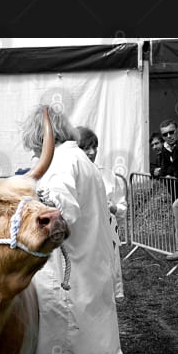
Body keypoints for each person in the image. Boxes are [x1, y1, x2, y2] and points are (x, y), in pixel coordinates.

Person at [21, 105, 126, 354]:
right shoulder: (78, 157)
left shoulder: (63, 159)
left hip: (63, 287)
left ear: (39, 136)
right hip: (80, 279)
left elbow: (58, 212)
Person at [75, 125, 124, 302]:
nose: (92, 152)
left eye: (94, 147)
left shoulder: (108, 175)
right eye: (86, 147)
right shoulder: (70, 175)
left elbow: (122, 207)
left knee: (108, 269)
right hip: (84, 234)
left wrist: (113, 208)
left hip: (107, 230)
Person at [157, 120, 178, 261]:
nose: (169, 136)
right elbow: (167, 168)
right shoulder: (166, 147)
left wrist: (165, 170)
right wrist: (165, 170)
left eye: (172, 132)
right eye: (165, 134)